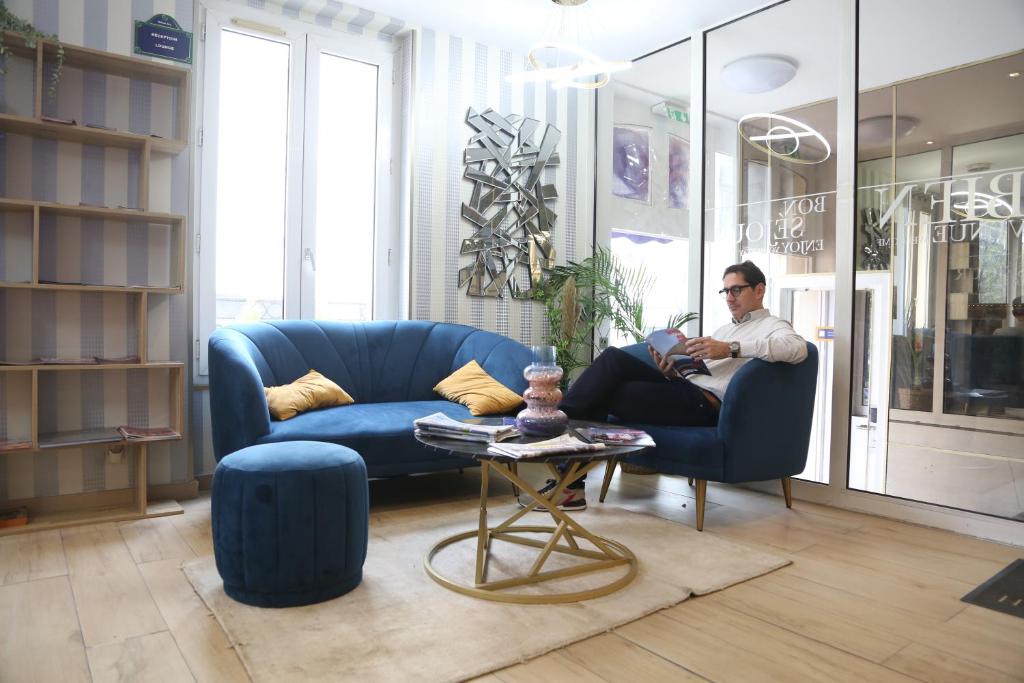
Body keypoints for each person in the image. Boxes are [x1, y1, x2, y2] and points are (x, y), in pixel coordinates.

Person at [521, 260, 808, 511]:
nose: (729, 297)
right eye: (725, 291)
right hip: (684, 388)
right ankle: (566, 470)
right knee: (612, 360)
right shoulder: (725, 328)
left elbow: (797, 349)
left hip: (704, 405)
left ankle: (554, 436)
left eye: (737, 289)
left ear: (759, 290)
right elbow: (704, 371)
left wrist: (730, 348)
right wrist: (671, 369)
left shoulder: (773, 325)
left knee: (611, 392)